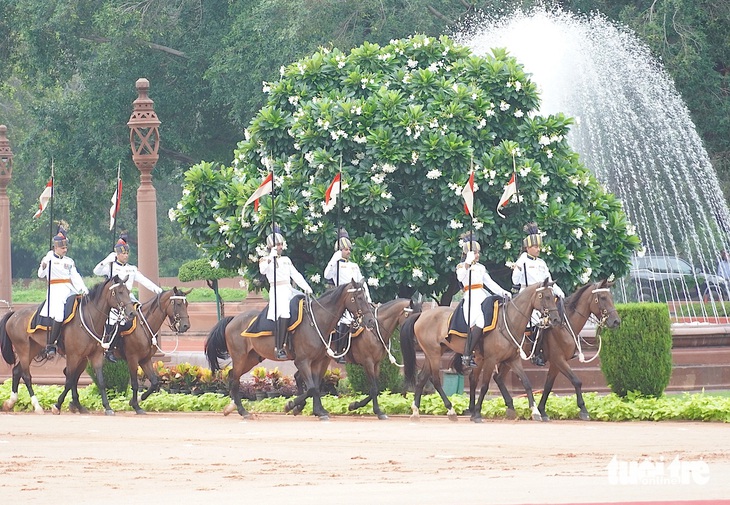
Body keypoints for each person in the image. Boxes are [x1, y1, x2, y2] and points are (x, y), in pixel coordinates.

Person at [93, 233, 163, 362]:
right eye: (122, 253)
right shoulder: (111, 267)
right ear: (117, 254)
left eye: (126, 253)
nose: (125, 256)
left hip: (128, 298)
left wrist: (159, 291)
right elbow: (96, 271)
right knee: (115, 321)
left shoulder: (132, 269)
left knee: (142, 316)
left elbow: (145, 281)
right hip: (115, 300)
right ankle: (109, 349)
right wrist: (107, 260)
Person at [511, 222, 565, 366]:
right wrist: (518, 268)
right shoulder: (522, 261)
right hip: (528, 296)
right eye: (535, 247)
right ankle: (535, 353)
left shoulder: (541, 262)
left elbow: (549, 280)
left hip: (543, 295)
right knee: (537, 321)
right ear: (527, 248)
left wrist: (559, 292)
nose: (538, 249)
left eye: (539, 246)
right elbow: (515, 280)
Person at [456, 236, 511, 368]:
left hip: (482, 295)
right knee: (479, 321)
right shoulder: (461, 266)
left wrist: (503, 292)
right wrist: (467, 264)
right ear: (467, 254)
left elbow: (489, 283)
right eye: (474, 252)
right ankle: (467, 354)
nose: (477, 255)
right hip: (470, 296)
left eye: (478, 252)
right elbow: (460, 277)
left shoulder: (481, 267)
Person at [259, 226, 313, 359]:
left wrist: (306, 287)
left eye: (281, 244)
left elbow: (296, 275)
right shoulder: (265, 260)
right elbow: (263, 271)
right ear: (271, 246)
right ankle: (279, 346)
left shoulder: (286, 260)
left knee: (306, 305)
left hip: (288, 289)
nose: (280, 247)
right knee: (284, 313)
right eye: (277, 244)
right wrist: (271, 257)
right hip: (277, 290)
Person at [38, 224, 89, 358]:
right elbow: (40, 274)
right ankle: (51, 345)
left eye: (66, 247)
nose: (65, 250)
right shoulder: (49, 258)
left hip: (68, 289)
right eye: (62, 248)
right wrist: (44, 264)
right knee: (59, 315)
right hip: (55, 290)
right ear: (55, 247)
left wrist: (84, 289)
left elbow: (75, 276)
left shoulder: (69, 261)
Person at [323, 228, 370, 362]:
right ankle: (340, 350)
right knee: (344, 320)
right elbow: (326, 275)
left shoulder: (354, 266)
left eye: (349, 249)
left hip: (355, 298)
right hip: (341, 298)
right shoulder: (335, 266)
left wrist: (368, 298)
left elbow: (361, 282)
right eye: (345, 249)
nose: (348, 252)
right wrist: (334, 259)